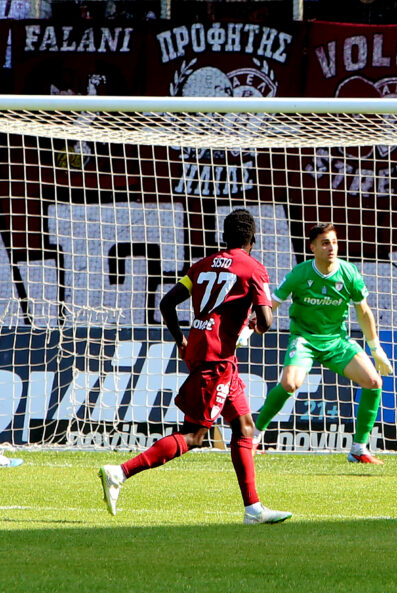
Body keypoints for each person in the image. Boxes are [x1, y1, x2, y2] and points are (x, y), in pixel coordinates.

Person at [98, 209, 292, 525]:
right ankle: (120, 472)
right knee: (194, 435)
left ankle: (253, 509)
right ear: (253, 239)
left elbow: (166, 303)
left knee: (244, 426)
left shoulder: (202, 265)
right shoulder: (253, 268)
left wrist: (180, 339)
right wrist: (255, 324)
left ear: (224, 237)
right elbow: (267, 321)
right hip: (216, 361)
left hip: (208, 353)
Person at [254, 224, 394, 465]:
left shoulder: (348, 272)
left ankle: (359, 449)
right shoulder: (300, 273)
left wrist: (375, 347)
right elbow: (272, 304)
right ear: (313, 247)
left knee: (374, 382)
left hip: (337, 342)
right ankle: (254, 437)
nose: (331, 248)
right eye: (325, 243)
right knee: (289, 384)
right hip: (305, 339)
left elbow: (363, 311)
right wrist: (250, 328)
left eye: (334, 242)